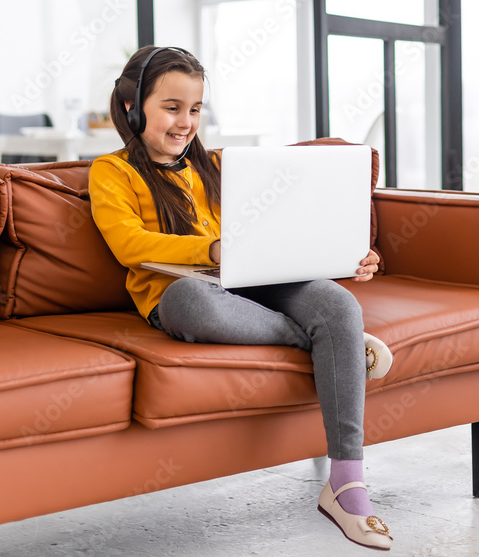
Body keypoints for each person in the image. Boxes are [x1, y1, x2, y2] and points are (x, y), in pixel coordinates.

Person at [88, 46, 394, 550]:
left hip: (257, 279)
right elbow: (128, 245)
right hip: (183, 291)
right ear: (131, 107)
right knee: (192, 300)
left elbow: (285, 224)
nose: (185, 122)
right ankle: (335, 343)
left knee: (338, 302)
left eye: (194, 109)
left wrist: (347, 256)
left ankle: (346, 481)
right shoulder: (112, 171)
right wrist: (208, 248)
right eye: (171, 107)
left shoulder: (219, 165)